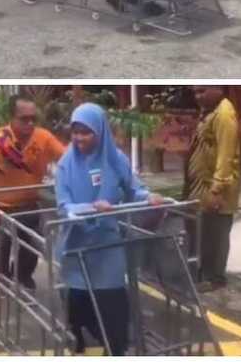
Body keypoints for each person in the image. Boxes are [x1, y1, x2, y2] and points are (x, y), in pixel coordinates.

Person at [54, 103, 164, 355]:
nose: (79, 138)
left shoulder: (116, 160)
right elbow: (64, 207)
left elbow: (133, 190)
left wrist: (148, 198)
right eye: (75, 131)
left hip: (108, 247)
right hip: (76, 247)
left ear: (101, 131)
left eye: (86, 131)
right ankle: (77, 339)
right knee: (78, 305)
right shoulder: (65, 166)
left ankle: (115, 350)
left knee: (112, 305)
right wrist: (91, 207)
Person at [0, 95, 66, 290]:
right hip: (0, 208)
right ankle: (1, 281)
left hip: (29, 204)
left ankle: (22, 276)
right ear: (11, 117)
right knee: (0, 249)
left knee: (30, 248)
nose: (30, 123)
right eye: (24, 119)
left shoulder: (43, 137)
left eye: (33, 118)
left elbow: (66, 158)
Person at [184, 86, 241, 290]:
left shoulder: (224, 114)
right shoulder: (209, 111)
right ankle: (201, 271)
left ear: (217, 88)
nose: (197, 97)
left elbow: (226, 155)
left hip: (215, 187)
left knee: (215, 233)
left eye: (202, 91)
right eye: (195, 93)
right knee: (202, 231)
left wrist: (217, 190)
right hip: (201, 184)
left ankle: (214, 278)